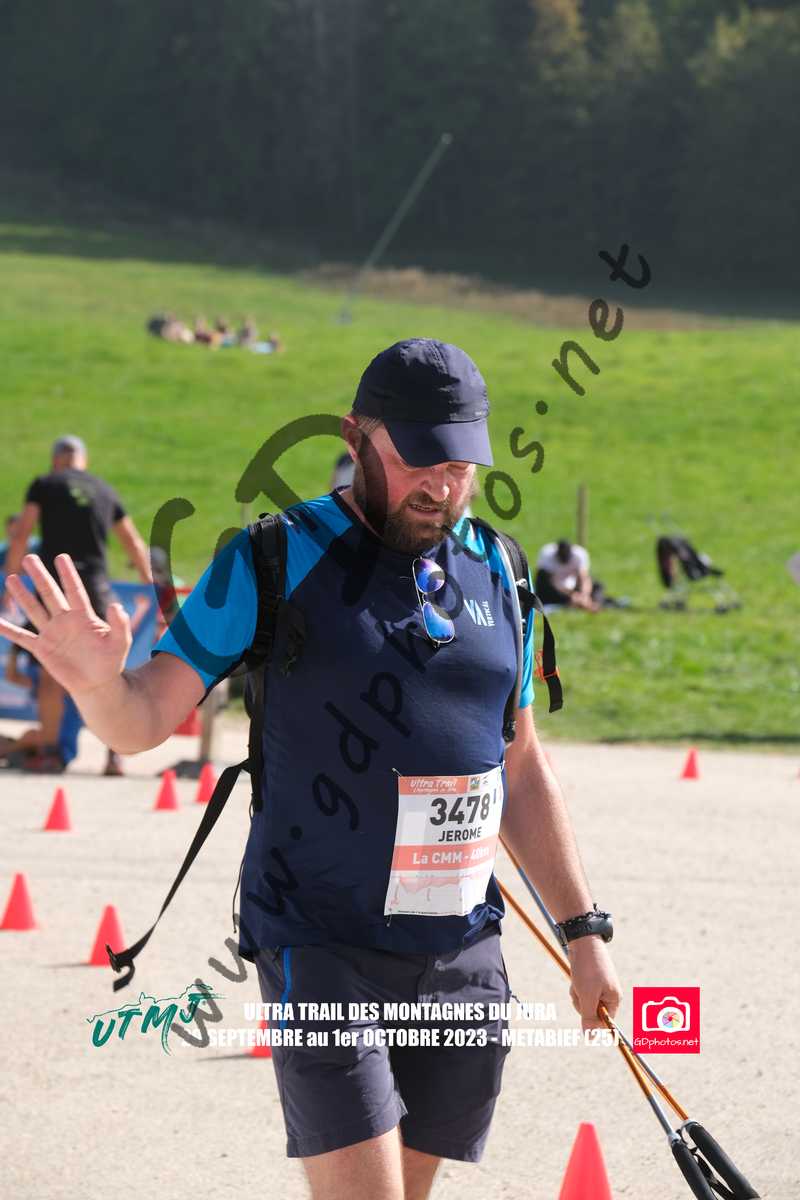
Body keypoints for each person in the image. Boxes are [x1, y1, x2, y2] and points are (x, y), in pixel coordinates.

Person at [0, 342, 620, 1200]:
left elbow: (520, 761)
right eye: (417, 458)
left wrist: (583, 933)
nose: (441, 486)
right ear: (355, 437)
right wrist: (97, 684)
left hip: (462, 950)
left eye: (459, 464)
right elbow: (141, 720)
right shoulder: (270, 560)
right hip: (321, 942)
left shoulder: (501, 571)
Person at [0, 435, 153, 775]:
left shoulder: (45, 484)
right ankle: (115, 754)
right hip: (96, 587)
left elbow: (22, 532)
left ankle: (51, 752)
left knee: (50, 671)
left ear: (57, 459)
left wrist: (11, 580)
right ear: (83, 460)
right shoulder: (104, 489)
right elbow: (132, 541)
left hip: (56, 585)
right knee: (110, 671)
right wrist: (150, 585)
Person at [535, 539, 602, 612]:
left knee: (597, 585)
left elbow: (584, 578)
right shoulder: (547, 555)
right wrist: (571, 595)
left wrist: (584, 595)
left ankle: (592, 603)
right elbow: (551, 582)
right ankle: (574, 603)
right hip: (555, 589)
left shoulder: (579, 554)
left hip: (572, 585)